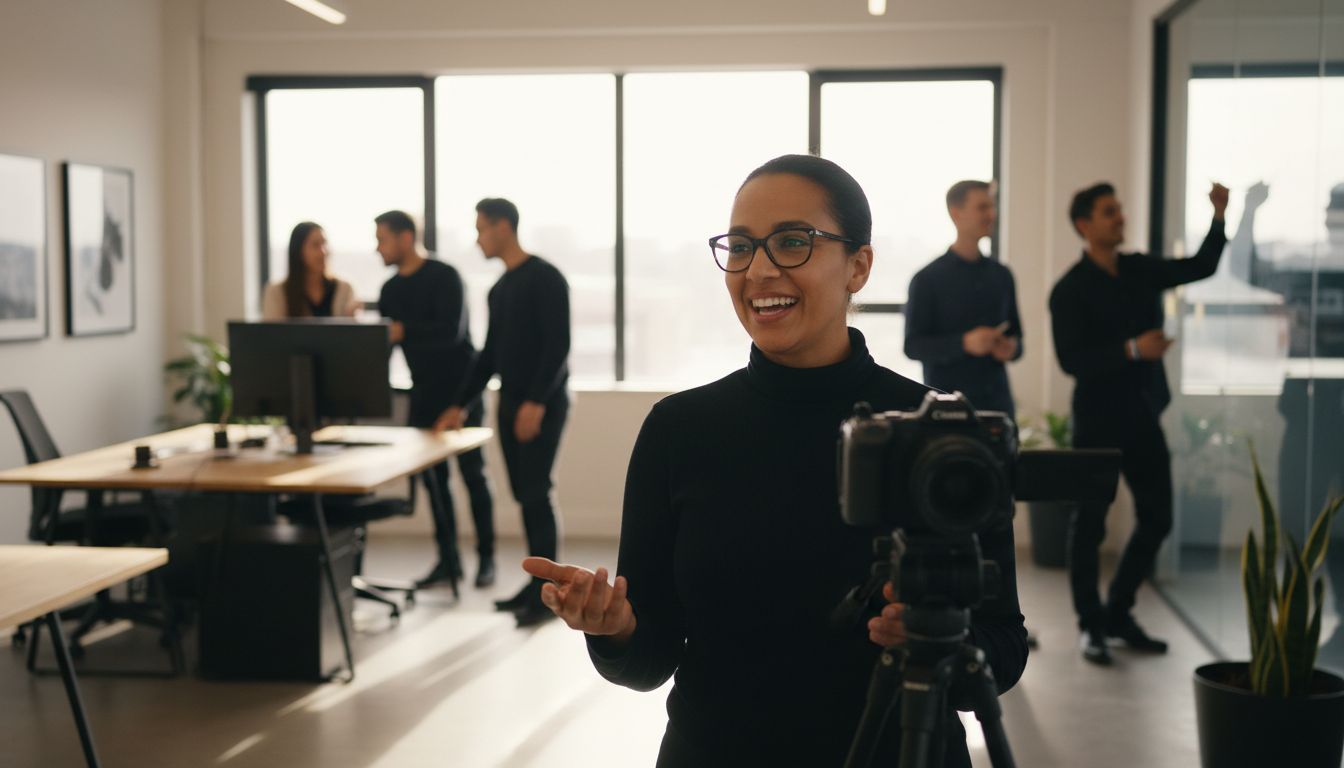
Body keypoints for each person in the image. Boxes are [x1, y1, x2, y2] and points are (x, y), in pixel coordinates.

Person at [519, 156, 1028, 766]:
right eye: (740, 246)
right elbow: (651, 656)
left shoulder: (938, 432)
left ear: (858, 266)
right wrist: (615, 628)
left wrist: (943, 646)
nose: (759, 269)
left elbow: (1002, 644)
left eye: (792, 242)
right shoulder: (680, 430)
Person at [1050, 180, 1229, 665]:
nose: (1120, 218)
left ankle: (1118, 613)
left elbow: (1200, 266)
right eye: (1110, 212)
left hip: (1143, 414)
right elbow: (1072, 361)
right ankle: (1091, 626)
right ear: (1085, 225)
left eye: (1120, 210)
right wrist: (1132, 350)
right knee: (1089, 527)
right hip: (1097, 421)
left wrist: (1218, 217)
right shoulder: (1068, 290)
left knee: (1159, 517)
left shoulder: (1139, 269)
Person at [435, 198, 571, 628]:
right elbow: (489, 356)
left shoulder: (546, 278)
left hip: (540, 404)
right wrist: (458, 404)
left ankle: (550, 594)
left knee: (536, 493)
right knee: (525, 497)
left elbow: (557, 347)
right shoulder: (500, 289)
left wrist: (535, 402)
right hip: (509, 402)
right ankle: (537, 588)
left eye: (481, 229)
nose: (477, 239)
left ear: (503, 227)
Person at [375, 210, 496, 589]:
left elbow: (451, 333)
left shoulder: (446, 277)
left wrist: (402, 330)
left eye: (383, 239)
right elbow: (388, 348)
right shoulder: (389, 290)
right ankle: (448, 561)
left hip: (461, 392)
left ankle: (487, 560)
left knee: (473, 475)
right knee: (433, 482)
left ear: (406, 237)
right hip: (423, 394)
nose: (378, 247)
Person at [905, 180, 1023, 417]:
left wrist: (1010, 348)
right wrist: (965, 343)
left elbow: (1018, 338)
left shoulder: (1002, 275)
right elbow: (913, 346)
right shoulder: (927, 279)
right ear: (956, 213)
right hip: (947, 409)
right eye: (982, 207)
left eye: (992, 206)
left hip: (998, 406)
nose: (992, 214)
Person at [262, 222, 361, 319]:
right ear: (298, 251)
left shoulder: (345, 289)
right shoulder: (276, 293)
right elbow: (271, 333)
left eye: (324, 244)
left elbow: (352, 332)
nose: (323, 251)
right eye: (315, 245)